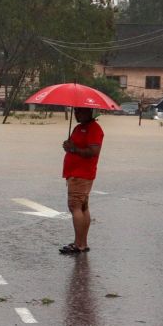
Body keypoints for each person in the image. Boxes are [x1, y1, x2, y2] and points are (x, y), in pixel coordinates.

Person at [59, 107, 103, 254]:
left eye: (80, 112)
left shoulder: (94, 129)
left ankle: (79, 244)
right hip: (75, 173)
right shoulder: (79, 128)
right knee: (83, 207)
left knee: (75, 206)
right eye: (76, 112)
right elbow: (74, 145)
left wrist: (73, 149)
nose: (77, 114)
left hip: (81, 174)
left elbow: (93, 151)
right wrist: (68, 146)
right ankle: (82, 243)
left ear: (89, 112)